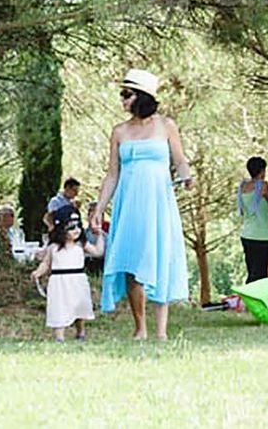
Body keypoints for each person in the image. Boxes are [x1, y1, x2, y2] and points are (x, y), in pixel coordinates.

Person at [90, 68, 192, 341]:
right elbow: (112, 174)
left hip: (158, 200)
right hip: (129, 200)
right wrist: (100, 208)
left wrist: (187, 177)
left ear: (143, 96)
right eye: (122, 95)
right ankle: (140, 327)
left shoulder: (166, 126)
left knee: (159, 257)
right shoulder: (119, 131)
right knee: (131, 260)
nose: (122, 100)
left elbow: (179, 159)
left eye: (127, 94)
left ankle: (161, 330)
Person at [31, 213, 103, 341]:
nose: (76, 230)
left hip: (77, 280)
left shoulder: (81, 244)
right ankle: (59, 336)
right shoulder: (53, 247)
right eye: (71, 228)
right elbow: (46, 263)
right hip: (59, 282)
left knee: (79, 307)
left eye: (78, 227)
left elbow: (98, 252)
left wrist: (99, 235)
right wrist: (38, 272)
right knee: (59, 307)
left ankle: (80, 332)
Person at [237, 156, 268, 285]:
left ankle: (247, 299)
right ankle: (255, 301)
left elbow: (245, 209)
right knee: (260, 273)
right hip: (260, 235)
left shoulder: (242, 187)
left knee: (252, 271)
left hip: (246, 234)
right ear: (262, 170)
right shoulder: (263, 186)